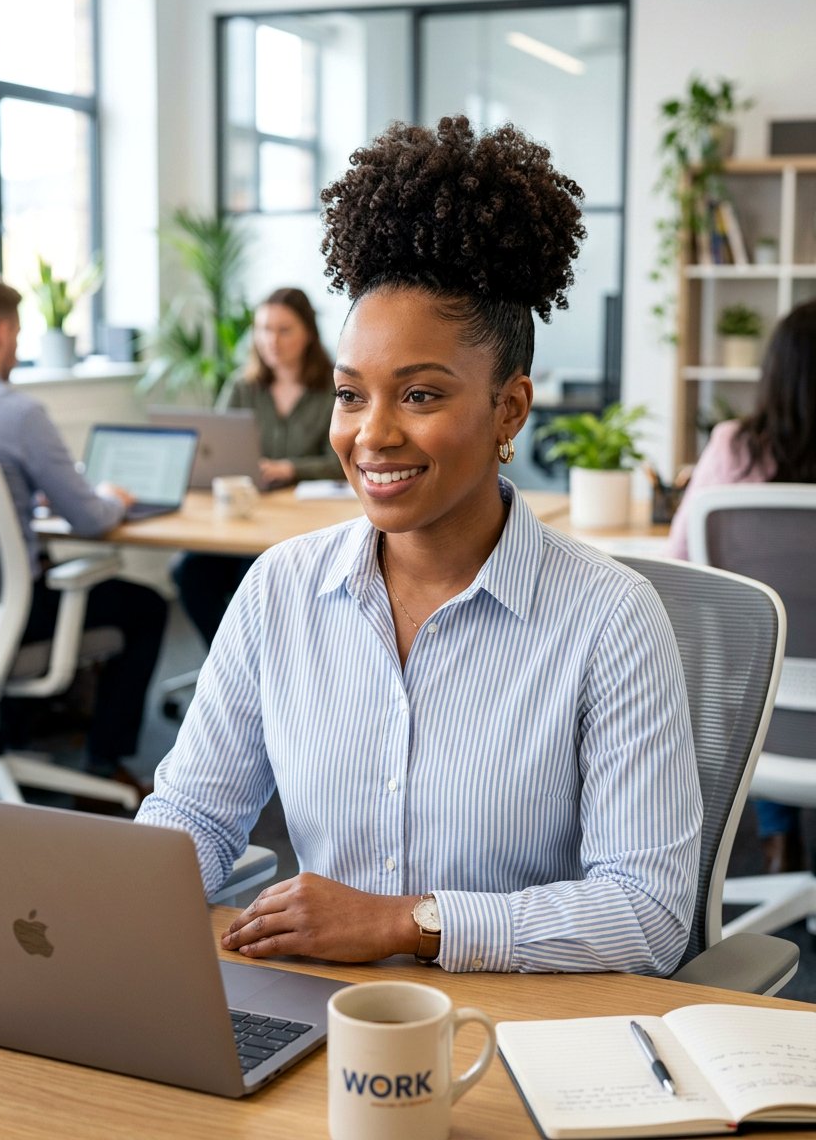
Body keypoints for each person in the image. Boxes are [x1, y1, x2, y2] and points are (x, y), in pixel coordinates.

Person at [139, 116, 701, 975]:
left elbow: (648, 914)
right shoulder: (280, 590)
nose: (373, 435)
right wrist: (112, 903)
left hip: (521, 1033)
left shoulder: (610, 619)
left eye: (422, 395)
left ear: (510, 409)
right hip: (321, 1016)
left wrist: (411, 923)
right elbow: (197, 820)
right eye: (351, 395)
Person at [0, 275, 167, 796]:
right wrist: (114, 499)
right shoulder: (16, 412)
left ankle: (8, 738)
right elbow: (91, 520)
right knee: (146, 607)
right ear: (2, 333)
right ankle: (105, 762)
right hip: (11, 614)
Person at [668, 296, 816, 874]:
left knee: (777, 664)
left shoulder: (733, 447)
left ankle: (777, 840)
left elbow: (681, 558)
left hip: (756, 708)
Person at [172, 287, 342, 647]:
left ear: (308, 333)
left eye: (284, 330)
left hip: (303, 524)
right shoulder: (242, 386)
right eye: (264, 329)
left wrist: (291, 469)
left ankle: (258, 665)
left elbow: (342, 462)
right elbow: (214, 449)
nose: (271, 341)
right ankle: (230, 662)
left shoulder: (335, 387)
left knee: (251, 574)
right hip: (244, 518)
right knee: (189, 573)